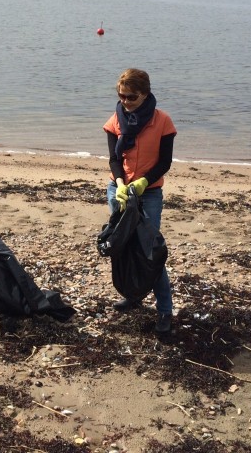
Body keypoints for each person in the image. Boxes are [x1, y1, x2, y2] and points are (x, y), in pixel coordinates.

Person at [103, 68, 177, 333]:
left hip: (149, 193)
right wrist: (120, 183)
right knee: (125, 247)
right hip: (119, 190)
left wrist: (144, 181)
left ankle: (165, 311)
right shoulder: (116, 120)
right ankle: (133, 297)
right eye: (121, 96)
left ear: (145, 94)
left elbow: (165, 162)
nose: (125, 101)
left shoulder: (163, 122)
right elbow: (114, 159)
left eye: (131, 97)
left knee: (149, 252)